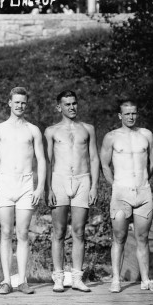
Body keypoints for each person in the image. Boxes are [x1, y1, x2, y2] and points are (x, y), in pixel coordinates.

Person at [0, 87, 46, 295]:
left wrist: (39, 187)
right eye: (16, 102)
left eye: (23, 103)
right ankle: (5, 280)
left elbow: (42, 160)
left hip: (26, 184)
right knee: (5, 232)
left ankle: (22, 280)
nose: (20, 106)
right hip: (4, 183)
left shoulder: (33, 130)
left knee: (22, 233)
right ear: (9, 103)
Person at [100, 98, 153, 293]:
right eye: (127, 114)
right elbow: (104, 164)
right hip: (121, 192)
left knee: (143, 237)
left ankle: (145, 279)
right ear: (120, 116)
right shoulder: (111, 137)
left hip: (143, 191)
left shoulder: (146, 135)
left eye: (134, 113)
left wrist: (146, 181)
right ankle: (116, 280)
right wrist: (115, 185)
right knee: (119, 236)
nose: (131, 117)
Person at [44, 90, 99, 293]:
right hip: (59, 180)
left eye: (74, 103)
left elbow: (94, 158)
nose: (72, 107)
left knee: (79, 231)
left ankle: (77, 277)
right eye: (67, 104)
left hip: (82, 180)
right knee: (58, 232)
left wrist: (94, 185)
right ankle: (58, 277)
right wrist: (47, 187)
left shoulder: (88, 129)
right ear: (59, 107)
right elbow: (47, 162)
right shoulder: (51, 131)